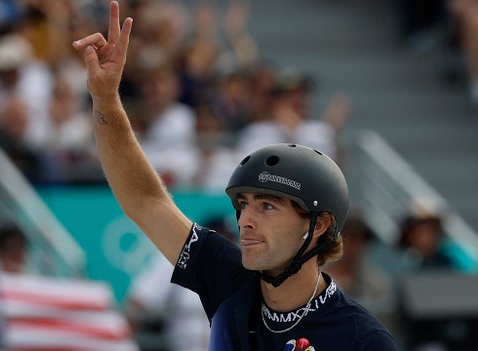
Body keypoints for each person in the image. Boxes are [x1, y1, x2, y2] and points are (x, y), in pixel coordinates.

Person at [71, 2, 398, 350]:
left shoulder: (364, 340)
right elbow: (144, 200)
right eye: (244, 205)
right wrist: (105, 98)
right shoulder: (227, 279)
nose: (245, 221)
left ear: (318, 225)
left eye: (268, 206)